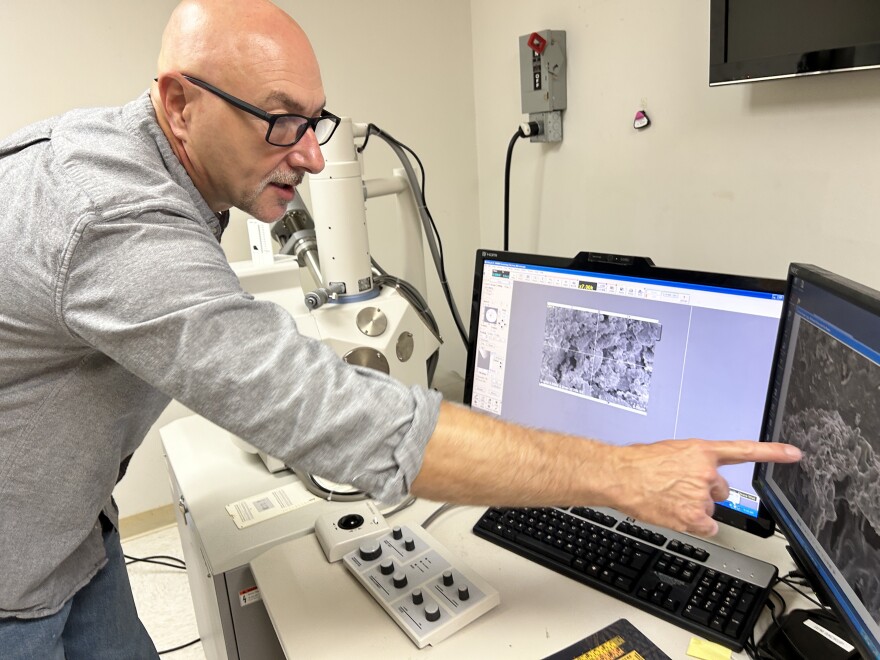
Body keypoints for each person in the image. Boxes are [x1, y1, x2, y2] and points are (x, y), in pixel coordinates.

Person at [0, 0, 801, 657]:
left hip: (75, 532)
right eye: (280, 121)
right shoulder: (114, 216)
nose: (311, 157)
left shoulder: (155, 167)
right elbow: (326, 413)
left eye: (314, 120)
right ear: (180, 103)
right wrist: (624, 475)